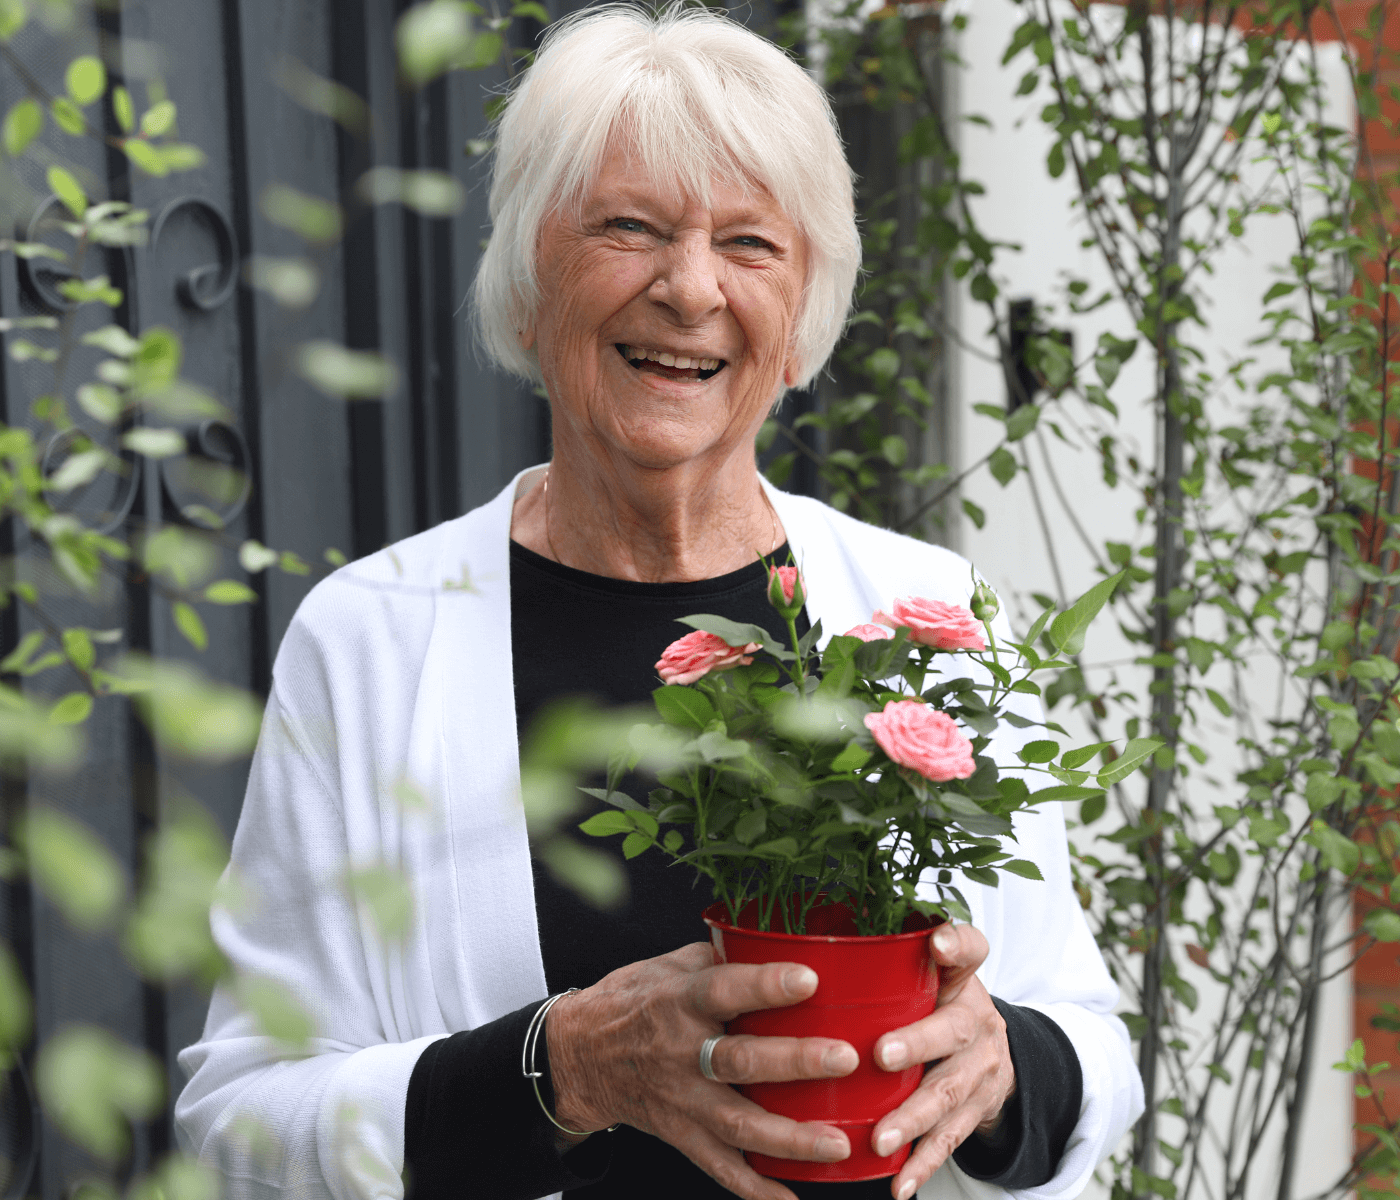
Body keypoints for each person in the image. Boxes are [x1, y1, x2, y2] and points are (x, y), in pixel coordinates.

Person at [174, 7, 1143, 1200]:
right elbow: (241, 1119)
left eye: (748, 244)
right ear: (531, 284)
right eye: (628, 228)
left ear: (799, 323)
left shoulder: (930, 614)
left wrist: (1000, 1073)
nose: (688, 290)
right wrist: (558, 1070)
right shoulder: (370, 639)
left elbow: (1089, 1044)